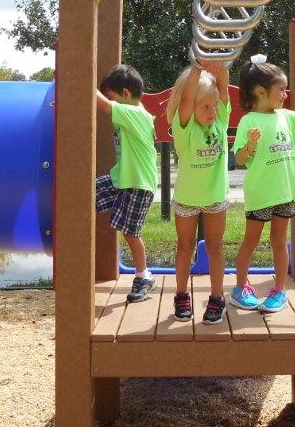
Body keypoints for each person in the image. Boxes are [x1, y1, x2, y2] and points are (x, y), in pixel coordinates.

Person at [230, 55, 295, 313]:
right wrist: (250, 145)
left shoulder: (287, 117)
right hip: (261, 193)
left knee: (279, 240)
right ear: (261, 91)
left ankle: (279, 290)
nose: (285, 94)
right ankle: (240, 288)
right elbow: (239, 158)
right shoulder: (249, 121)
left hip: (285, 192)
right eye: (281, 89)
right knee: (251, 241)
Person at [165, 60, 231, 324]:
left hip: (215, 199)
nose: (212, 110)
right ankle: (181, 294)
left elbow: (224, 89)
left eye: (213, 105)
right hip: (187, 199)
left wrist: (220, 64)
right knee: (185, 247)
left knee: (215, 247)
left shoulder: (221, 122)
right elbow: (187, 97)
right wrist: (195, 69)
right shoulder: (185, 129)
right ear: (190, 108)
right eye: (205, 106)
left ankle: (217, 297)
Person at [95, 64, 158, 303]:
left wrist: (78, 76)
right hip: (121, 178)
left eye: (113, 97)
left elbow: (101, 104)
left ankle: (144, 276)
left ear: (124, 93)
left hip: (138, 184)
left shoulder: (135, 114)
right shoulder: (133, 109)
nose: (111, 102)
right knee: (86, 195)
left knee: (131, 232)